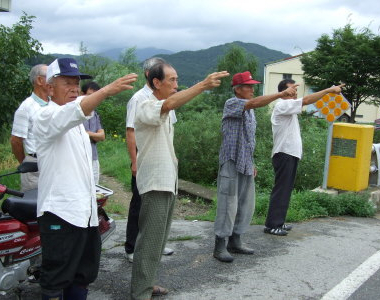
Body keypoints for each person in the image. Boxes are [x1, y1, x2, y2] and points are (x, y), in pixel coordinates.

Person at [33, 57, 137, 300]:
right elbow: (75, 110)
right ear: (49, 88)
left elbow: (78, 112)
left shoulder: (79, 123)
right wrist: (107, 90)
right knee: (56, 277)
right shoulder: (46, 117)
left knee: (83, 274)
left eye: (76, 84)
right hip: (60, 212)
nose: (73, 89)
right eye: (66, 83)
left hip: (85, 212)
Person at [130, 62, 229, 300]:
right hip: (155, 181)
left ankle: (146, 284)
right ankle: (140, 292)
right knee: (150, 241)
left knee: (159, 239)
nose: (176, 84)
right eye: (172, 80)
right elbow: (169, 104)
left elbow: (169, 106)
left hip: (166, 180)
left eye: (177, 80)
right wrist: (203, 85)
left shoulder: (161, 105)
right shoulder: (142, 102)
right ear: (156, 82)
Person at [213, 71, 298, 263]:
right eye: (249, 86)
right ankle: (219, 245)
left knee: (245, 204)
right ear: (238, 89)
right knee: (228, 204)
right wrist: (280, 94)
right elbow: (254, 102)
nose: (252, 89)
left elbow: (249, 139)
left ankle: (236, 240)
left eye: (253, 86)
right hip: (231, 161)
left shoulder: (251, 110)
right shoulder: (232, 102)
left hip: (245, 163)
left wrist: (251, 163)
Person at [264, 79, 344, 236]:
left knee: (285, 189)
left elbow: (303, 102)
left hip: (289, 153)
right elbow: (307, 100)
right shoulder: (282, 104)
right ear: (283, 92)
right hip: (284, 153)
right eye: (291, 89)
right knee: (281, 189)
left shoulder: (289, 107)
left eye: (295, 89)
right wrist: (328, 90)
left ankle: (278, 221)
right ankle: (272, 225)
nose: (294, 92)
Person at [125, 57, 176, 264]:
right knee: (139, 205)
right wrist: (134, 162)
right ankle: (132, 247)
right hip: (144, 160)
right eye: (171, 79)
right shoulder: (139, 98)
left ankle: (155, 245)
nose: (174, 85)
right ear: (151, 76)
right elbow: (130, 132)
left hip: (161, 159)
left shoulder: (164, 98)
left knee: (156, 212)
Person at [10, 64, 49, 191]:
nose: (54, 81)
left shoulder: (52, 104)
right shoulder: (26, 107)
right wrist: (25, 163)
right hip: (35, 164)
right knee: (33, 205)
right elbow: (16, 141)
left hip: (52, 162)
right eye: (50, 76)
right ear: (39, 80)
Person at [82, 81, 105, 184]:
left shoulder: (95, 114)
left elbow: (102, 136)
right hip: (80, 158)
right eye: (89, 95)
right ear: (82, 94)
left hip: (94, 157)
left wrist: (87, 133)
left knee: (95, 189)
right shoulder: (77, 114)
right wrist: (94, 135)